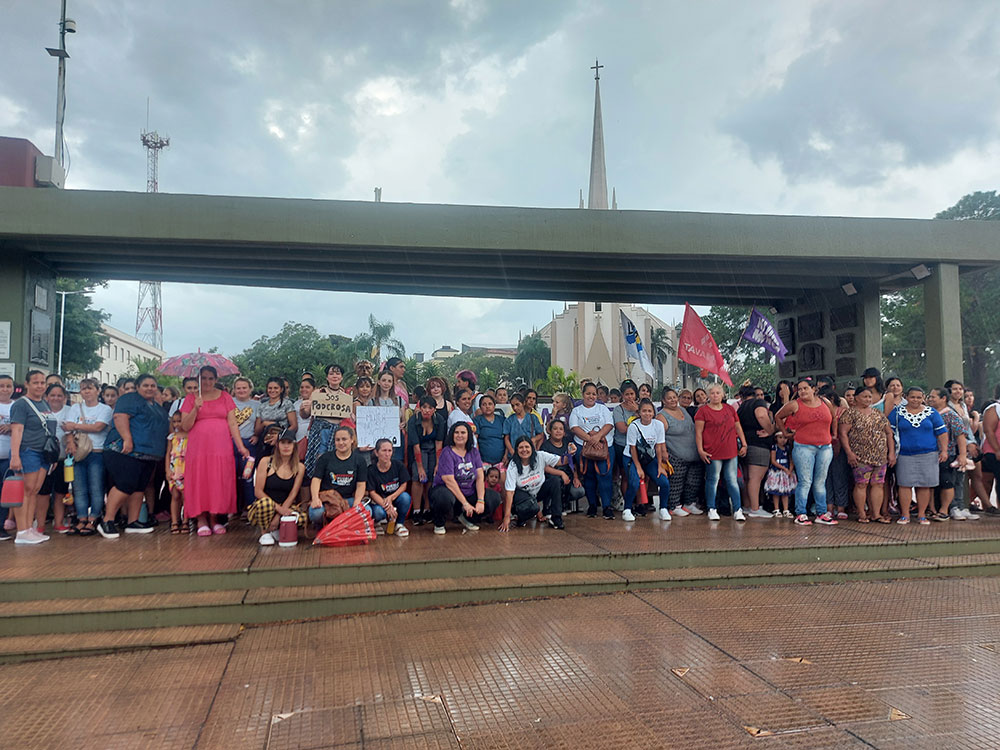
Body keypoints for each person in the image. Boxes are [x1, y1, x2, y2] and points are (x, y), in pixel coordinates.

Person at [98, 374, 170, 539]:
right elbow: (120, 416)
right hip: (125, 450)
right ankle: (107, 520)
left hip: (148, 454)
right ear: (137, 387)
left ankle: (133, 521)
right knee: (125, 484)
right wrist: (127, 439)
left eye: (153, 385)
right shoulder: (130, 399)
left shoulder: (156, 406)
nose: (150, 388)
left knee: (139, 487)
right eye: (146, 385)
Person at [180, 366, 250, 536]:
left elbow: (233, 423)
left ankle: (214, 518)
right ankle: (201, 519)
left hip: (221, 447)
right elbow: (185, 426)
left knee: (217, 480)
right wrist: (195, 408)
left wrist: (241, 446)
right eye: (204, 378)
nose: (207, 381)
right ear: (198, 379)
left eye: (211, 378)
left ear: (216, 380)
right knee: (200, 480)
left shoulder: (225, 396)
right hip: (199, 448)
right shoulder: (191, 398)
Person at [775, 378, 839, 526]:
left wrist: (834, 434)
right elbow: (778, 416)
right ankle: (801, 513)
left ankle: (821, 513)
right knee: (805, 481)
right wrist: (785, 433)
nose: (802, 391)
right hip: (803, 447)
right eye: (800, 389)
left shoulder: (825, 402)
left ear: (813, 389)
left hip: (825, 446)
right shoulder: (795, 404)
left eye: (805, 388)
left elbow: (834, 418)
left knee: (820, 481)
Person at [8, 370, 56, 544]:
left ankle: (29, 528)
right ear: (27, 384)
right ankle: (22, 530)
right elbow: (17, 430)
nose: (40, 386)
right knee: (25, 491)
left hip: (44, 452)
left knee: (34, 491)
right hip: (28, 450)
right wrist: (15, 455)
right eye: (35, 382)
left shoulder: (44, 403)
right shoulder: (21, 404)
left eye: (43, 383)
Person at [888, 387, 948, 525]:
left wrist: (944, 450)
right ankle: (905, 515)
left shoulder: (931, 412)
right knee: (904, 484)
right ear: (906, 397)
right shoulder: (897, 413)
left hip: (928, 454)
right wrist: (891, 453)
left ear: (923, 398)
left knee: (924, 485)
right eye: (912, 397)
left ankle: (922, 514)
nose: (915, 400)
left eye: (919, 397)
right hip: (904, 454)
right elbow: (889, 434)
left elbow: (942, 432)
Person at [61, 377, 113, 536]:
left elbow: (98, 427)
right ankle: (81, 518)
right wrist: (70, 442)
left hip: (96, 452)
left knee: (96, 487)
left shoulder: (105, 409)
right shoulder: (75, 408)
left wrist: (75, 426)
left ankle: (94, 518)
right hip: (78, 453)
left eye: (90, 388)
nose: (87, 391)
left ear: (98, 391)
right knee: (79, 488)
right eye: (83, 388)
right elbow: (67, 428)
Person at [428, 422, 499, 534]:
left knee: (493, 498)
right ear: (452, 435)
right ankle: (439, 523)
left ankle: (468, 519)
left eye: (463, 433)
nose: (459, 435)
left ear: (468, 435)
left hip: (468, 491)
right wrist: (465, 504)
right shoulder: (447, 452)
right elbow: (449, 481)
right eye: (456, 432)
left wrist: (480, 500)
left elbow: (480, 476)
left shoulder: (474, 452)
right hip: (448, 491)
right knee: (443, 498)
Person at [839, 386, 894, 523]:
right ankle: (862, 513)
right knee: (861, 484)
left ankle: (876, 514)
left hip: (880, 455)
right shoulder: (850, 413)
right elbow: (843, 434)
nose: (868, 399)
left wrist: (891, 452)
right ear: (856, 398)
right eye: (865, 396)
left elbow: (888, 432)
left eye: (870, 397)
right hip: (859, 456)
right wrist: (849, 453)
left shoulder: (878, 413)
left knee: (878, 484)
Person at [695, 384, 748, 522]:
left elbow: (738, 427)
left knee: (732, 480)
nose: (715, 395)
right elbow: (698, 432)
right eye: (712, 393)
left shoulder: (729, 409)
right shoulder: (703, 411)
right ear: (708, 395)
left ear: (723, 394)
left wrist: (744, 443)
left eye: (718, 393)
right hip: (712, 452)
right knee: (713, 480)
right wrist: (700, 450)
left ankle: (737, 509)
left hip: (731, 450)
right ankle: (711, 508)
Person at [248, 429, 306, 545]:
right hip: (265, 505)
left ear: (294, 446)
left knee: (302, 518)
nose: (286, 446)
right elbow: (258, 491)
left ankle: (278, 528)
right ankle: (264, 532)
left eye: (289, 443)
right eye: (283, 442)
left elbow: (293, 494)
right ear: (277, 445)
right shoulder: (266, 461)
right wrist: (279, 509)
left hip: (284, 505)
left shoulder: (300, 467)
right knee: (265, 504)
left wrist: (279, 515)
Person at [500, 436, 566, 530]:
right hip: (522, 495)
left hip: (538, 491)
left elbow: (561, 461)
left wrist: (571, 453)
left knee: (555, 481)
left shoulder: (540, 456)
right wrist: (506, 517)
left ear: (532, 448)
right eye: (521, 447)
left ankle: (556, 518)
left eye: (527, 447)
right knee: (533, 507)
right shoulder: (513, 465)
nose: (524, 450)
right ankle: (520, 517)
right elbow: (509, 492)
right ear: (517, 449)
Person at [569, 382, 615, 518]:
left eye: (594, 394)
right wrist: (591, 440)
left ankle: (606, 507)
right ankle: (592, 506)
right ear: (583, 394)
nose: (591, 396)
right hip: (583, 447)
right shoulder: (576, 411)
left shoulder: (603, 409)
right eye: (588, 393)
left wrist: (598, 437)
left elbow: (609, 425)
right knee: (588, 476)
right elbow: (574, 428)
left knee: (605, 475)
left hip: (604, 447)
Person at [655, 388, 703, 516]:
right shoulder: (661, 416)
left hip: (693, 454)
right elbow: (660, 437)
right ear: (664, 400)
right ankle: (674, 506)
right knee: (676, 482)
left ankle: (689, 503)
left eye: (674, 397)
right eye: (669, 398)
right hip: (675, 455)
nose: (673, 400)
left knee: (693, 481)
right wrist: (664, 452)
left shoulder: (683, 410)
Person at [308, 424, 368, 526]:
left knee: (367, 511)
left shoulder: (360, 460)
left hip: (348, 499)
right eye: (337, 440)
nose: (341, 443)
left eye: (344, 439)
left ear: (352, 440)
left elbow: (361, 484)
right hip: (328, 500)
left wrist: (357, 502)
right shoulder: (325, 458)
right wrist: (315, 498)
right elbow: (316, 480)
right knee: (316, 514)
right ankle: (323, 527)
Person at [626, 398, 672, 522]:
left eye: (650, 411)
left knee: (664, 482)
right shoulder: (633, 426)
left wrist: (660, 466)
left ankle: (663, 508)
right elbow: (632, 448)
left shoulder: (658, 425)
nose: (647, 414)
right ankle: (627, 509)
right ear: (639, 413)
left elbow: (658, 446)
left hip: (649, 458)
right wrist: (638, 467)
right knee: (634, 482)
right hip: (633, 457)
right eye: (644, 411)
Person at [928, 387, 968, 521]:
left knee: (946, 482)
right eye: (929, 397)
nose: (930, 399)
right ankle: (932, 509)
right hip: (929, 454)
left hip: (947, 455)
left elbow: (960, 435)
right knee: (931, 483)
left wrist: (962, 455)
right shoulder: (928, 413)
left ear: (943, 398)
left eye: (933, 397)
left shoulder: (951, 415)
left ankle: (944, 510)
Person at [736, 384, 775, 518]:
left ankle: (747, 506)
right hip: (759, 445)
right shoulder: (758, 403)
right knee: (755, 478)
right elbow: (761, 416)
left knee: (747, 478)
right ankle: (755, 508)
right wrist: (770, 430)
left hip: (745, 445)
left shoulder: (741, 408)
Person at [304, 364, 349, 479]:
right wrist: (305, 408)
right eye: (331, 373)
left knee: (334, 461)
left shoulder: (345, 397)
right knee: (318, 460)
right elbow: (305, 414)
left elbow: (347, 415)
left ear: (341, 377)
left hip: (336, 432)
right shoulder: (317, 393)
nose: (334, 376)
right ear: (327, 377)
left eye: (337, 373)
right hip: (320, 431)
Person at [406, 396, 445, 525]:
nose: (427, 410)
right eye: (424, 407)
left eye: (430, 408)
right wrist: (420, 467)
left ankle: (427, 509)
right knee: (418, 477)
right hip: (419, 449)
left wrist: (438, 464)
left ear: (434, 409)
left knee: (431, 478)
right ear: (420, 408)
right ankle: (417, 511)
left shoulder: (439, 420)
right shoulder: (413, 420)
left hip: (434, 449)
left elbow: (439, 444)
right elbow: (415, 446)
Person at [39, 383, 72, 533]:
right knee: (43, 493)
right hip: (44, 458)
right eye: (52, 395)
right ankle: (40, 525)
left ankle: (58, 522)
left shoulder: (70, 411)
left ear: (64, 397)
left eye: (59, 395)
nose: (56, 398)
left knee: (60, 492)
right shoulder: (40, 410)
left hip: (63, 458)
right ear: (46, 397)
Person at [366, 438, 412, 537]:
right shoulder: (371, 470)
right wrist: (386, 506)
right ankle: (377, 523)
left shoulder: (398, 465)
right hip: (379, 501)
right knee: (378, 512)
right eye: (384, 451)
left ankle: (399, 524)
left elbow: (404, 485)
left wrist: (391, 498)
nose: (387, 454)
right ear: (376, 453)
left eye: (389, 451)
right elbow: (372, 492)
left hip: (394, 498)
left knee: (405, 497)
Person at [540, 418, 585, 513]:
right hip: (552, 477)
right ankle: (550, 507)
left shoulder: (568, 444)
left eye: (561, 429)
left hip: (568, 476)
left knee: (579, 491)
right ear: (550, 431)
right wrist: (561, 473)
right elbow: (544, 467)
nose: (558, 431)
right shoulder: (545, 446)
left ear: (564, 432)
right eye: (555, 429)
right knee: (556, 481)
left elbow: (573, 463)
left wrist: (575, 477)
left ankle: (565, 504)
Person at [612, 383, 640, 504]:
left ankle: (640, 503)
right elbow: (622, 429)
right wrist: (638, 425)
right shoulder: (618, 410)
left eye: (632, 394)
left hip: (639, 447)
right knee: (625, 475)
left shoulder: (641, 407)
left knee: (640, 475)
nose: (630, 397)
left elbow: (649, 424)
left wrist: (637, 411)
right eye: (627, 394)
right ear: (622, 395)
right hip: (622, 446)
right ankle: (628, 503)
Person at [371, 370, 406, 459]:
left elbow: (403, 420)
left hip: (395, 439)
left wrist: (403, 424)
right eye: (384, 380)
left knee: (396, 462)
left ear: (392, 383)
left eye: (389, 381)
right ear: (379, 382)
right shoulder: (372, 402)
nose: (386, 383)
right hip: (378, 439)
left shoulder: (400, 400)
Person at [165, 412, 189, 533]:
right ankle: (175, 521)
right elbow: (168, 454)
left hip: (186, 469)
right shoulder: (172, 437)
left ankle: (186, 520)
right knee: (175, 496)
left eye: (179, 421)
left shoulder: (191, 436)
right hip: (174, 468)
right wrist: (167, 470)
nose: (176, 424)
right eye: (174, 422)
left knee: (186, 496)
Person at [259, 377, 297, 454]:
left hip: (283, 441)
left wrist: (279, 436)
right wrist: (264, 424)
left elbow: (294, 426)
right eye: (270, 388)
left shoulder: (287, 404)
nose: (272, 390)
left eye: (276, 388)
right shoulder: (262, 406)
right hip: (265, 441)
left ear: (281, 389)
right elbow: (257, 429)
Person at [764, 432, 796, 518]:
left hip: (786, 473)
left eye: (785, 438)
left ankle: (786, 509)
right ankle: (776, 509)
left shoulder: (788, 448)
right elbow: (773, 461)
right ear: (776, 438)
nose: (783, 440)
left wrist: (790, 470)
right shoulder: (774, 447)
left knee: (785, 492)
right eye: (780, 438)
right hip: (777, 471)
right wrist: (784, 468)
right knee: (776, 491)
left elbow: (791, 460)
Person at [473, 394, 506, 469]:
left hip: (501, 461)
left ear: (494, 406)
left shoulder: (502, 420)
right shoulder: (477, 420)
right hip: (483, 461)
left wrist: (506, 455)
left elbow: (507, 438)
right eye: (484, 404)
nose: (487, 406)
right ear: (480, 407)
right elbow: (475, 440)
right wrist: (478, 459)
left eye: (490, 404)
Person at [0, 374, 14, 541]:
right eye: (1, 386)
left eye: (8, 386)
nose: (5, 389)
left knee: (4, 493)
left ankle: (1, 526)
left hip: (9, 457)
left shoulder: (17, 406)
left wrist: (11, 427)